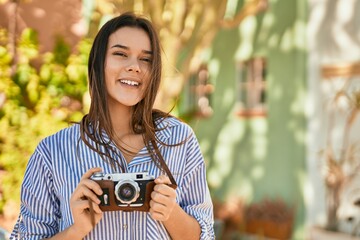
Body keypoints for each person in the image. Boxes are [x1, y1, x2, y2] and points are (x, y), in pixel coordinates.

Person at [10, 11, 214, 240]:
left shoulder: (179, 140)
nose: (134, 66)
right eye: (120, 54)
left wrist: (171, 213)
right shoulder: (52, 152)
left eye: (145, 59)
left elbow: (205, 235)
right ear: (98, 63)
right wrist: (76, 230)